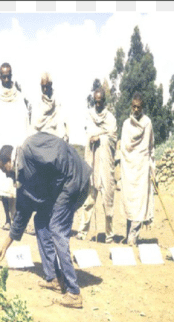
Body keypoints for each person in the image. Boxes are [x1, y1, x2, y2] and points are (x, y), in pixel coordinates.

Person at [0, 132, 91, 309]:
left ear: (9, 160)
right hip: (65, 184)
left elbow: (61, 152)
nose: (7, 176)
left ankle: (74, 292)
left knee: (56, 228)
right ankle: (54, 278)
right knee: (41, 221)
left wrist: (55, 191)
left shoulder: (31, 147)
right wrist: (4, 246)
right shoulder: (22, 176)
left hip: (74, 179)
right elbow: (22, 213)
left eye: (5, 170)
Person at [0, 63, 30, 231]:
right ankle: (7, 219)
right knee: (4, 182)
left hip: (15, 144)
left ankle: (19, 221)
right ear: (0, 77)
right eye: (3, 76)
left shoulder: (19, 97)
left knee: (18, 183)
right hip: (1, 143)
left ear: (12, 76)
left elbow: (24, 119)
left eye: (8, 76)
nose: (6, 79)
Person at [78, 87, 118, 242]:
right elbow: (88, 133)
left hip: (106, 166)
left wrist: (100, 138)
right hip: (93, 163)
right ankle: (82, 232)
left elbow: (112, 137)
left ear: (104, 102)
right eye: (96, 102)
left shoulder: (111, 119)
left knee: (108, 203)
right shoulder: (89, 115)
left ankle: (109, 235)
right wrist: (92, 138)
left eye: (100, 102)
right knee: (89, 201)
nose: (98, 105)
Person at [118, 92, 155, 245]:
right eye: (134, 106)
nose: (136, 109)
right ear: (131, 106)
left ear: (142, 107)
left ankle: (133, 237)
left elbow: (150, 146)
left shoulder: (147, 123)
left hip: (141, 168)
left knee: (139, 202)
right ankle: (129, 234)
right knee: (129, 201)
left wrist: (151, 166)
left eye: (139, 107)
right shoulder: (126, 124)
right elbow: (124, 147)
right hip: (128, 168)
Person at [31, 72, 69, 142]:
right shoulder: (37, 102)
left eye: (47, 87)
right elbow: (34, 124)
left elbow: (61, 120)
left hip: (54, 136)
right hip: (39, 137)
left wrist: (64, 135)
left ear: (51, 86)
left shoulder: (57, 100)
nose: (45, 89)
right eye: (43, 87)